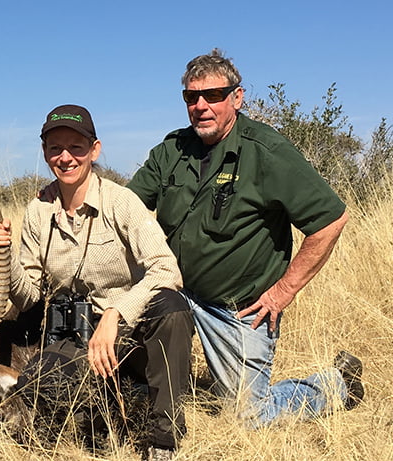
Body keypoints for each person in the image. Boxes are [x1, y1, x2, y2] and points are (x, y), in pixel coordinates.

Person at [126, 49, 364, 428]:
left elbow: (331, 219)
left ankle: (336, 386)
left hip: (238, 309)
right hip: (174, 290)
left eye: (214, 95)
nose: (201, 106)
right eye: (191, 97)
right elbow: (123, 210)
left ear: (237, 97)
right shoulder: (171, 150)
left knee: (248, 416)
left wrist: (283, 291)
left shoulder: (267, 151)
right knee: (125, 381)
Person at [0, 105, 193, 461]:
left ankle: (163, 444)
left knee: (172, 307)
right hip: (74, 334)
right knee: (41, 389)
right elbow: (30, 296)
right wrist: (4, 257)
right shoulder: (37, 210)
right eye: (55, 148)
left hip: (125, 327)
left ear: (94, 150)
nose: (65, 157)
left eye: (76, 147)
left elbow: (166, 269)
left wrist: (116, 314)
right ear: (45, 151)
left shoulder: (122, 201)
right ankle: (123, 401)